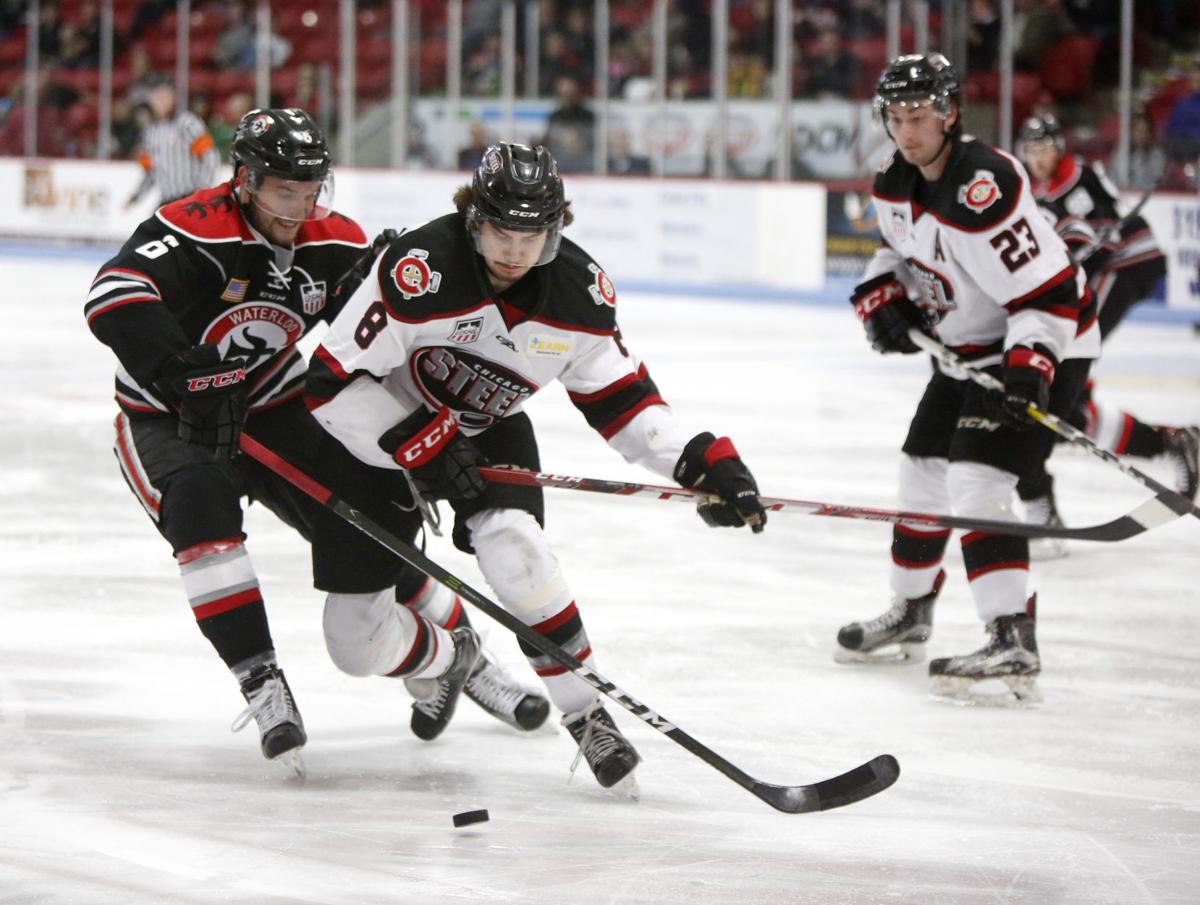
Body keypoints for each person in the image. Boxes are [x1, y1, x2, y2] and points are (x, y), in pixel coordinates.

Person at [85, 108, 549, 773]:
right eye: (283, 190)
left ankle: (459, 658)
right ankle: (261, 679)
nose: (300, 207)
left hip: (274, 400)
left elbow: (376, 338)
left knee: (365, 524)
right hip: (168, 415)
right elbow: (115, 292)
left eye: (311, 190)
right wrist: (177, 371)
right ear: (244, 178)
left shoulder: (331, 239)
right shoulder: (194, 227)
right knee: (200, 513)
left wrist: (432, 425)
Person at [305, 142, 767, 791]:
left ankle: (586, 714)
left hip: (488, 430)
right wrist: (423, 442)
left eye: (532, 233)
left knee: (517, 551)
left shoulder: (579, 295)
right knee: (351, 643)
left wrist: (701, 461)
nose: (515, 250)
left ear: (555, 228)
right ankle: (449, 654)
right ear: (475, 219)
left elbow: (626, 401)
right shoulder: (419, 267)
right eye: (501, 230)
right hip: (377, 430)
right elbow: (328, 385)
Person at [833, 53, 1100, 705]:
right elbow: (893, 253)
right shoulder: (895, 180)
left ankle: (1011, 635)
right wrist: (880, 296)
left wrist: (1030, 367)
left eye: (919, 117)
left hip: (1044, 343)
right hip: (965, 349)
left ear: (950, 113)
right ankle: (912, 608)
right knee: (922, 471)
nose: (906, 132)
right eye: (895, 118)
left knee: (977, 480)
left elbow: (1051, 292)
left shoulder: (984, 185)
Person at [1017, 114, 1198, 535]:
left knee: (1070, 342)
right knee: (1069, 401)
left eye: (1044, 148)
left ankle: (1079, 393)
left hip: (1129, 262)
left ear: (1058, 148)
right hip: (1106, 266)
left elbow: (1103, 243)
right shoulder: (1034, 189)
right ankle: (1170, 439)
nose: (1038, 157)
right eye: (1031, 150)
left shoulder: (1080, 178)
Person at [124, 74, 219, 209]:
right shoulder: (150, 132)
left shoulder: (187, 122)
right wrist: (136, 197)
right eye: (156, 96)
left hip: (189, 196)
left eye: (164, 96)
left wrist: (202, 191)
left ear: (173, 96)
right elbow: (150, 173)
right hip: (167, 200)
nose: (160, 101)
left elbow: (210, 156)